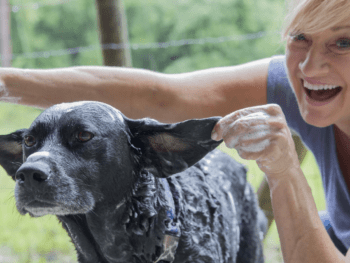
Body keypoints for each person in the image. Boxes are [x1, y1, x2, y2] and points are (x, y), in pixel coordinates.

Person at [0, 0, 349, 262]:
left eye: (343, 42)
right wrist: (6, 82)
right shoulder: (300, 82)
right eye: (300, 37)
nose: (309, 65)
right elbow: (162, 97)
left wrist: (283, 170)